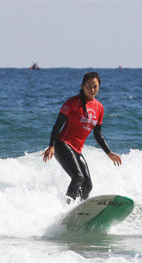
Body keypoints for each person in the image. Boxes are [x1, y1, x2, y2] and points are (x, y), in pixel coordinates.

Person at [42, 72, 122, 203]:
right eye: (88, 87)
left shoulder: (99, 108)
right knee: (78, 177)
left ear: (99, 87)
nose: (92, 90)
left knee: (88, 185)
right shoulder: (73, 102)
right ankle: (67, 208)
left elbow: (98, 134)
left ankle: (79, 209)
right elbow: (57, 125)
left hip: (77, 150)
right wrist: (51, 145)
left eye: (95, 87)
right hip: (62, 144)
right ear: (82, 86)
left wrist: (109, 152)